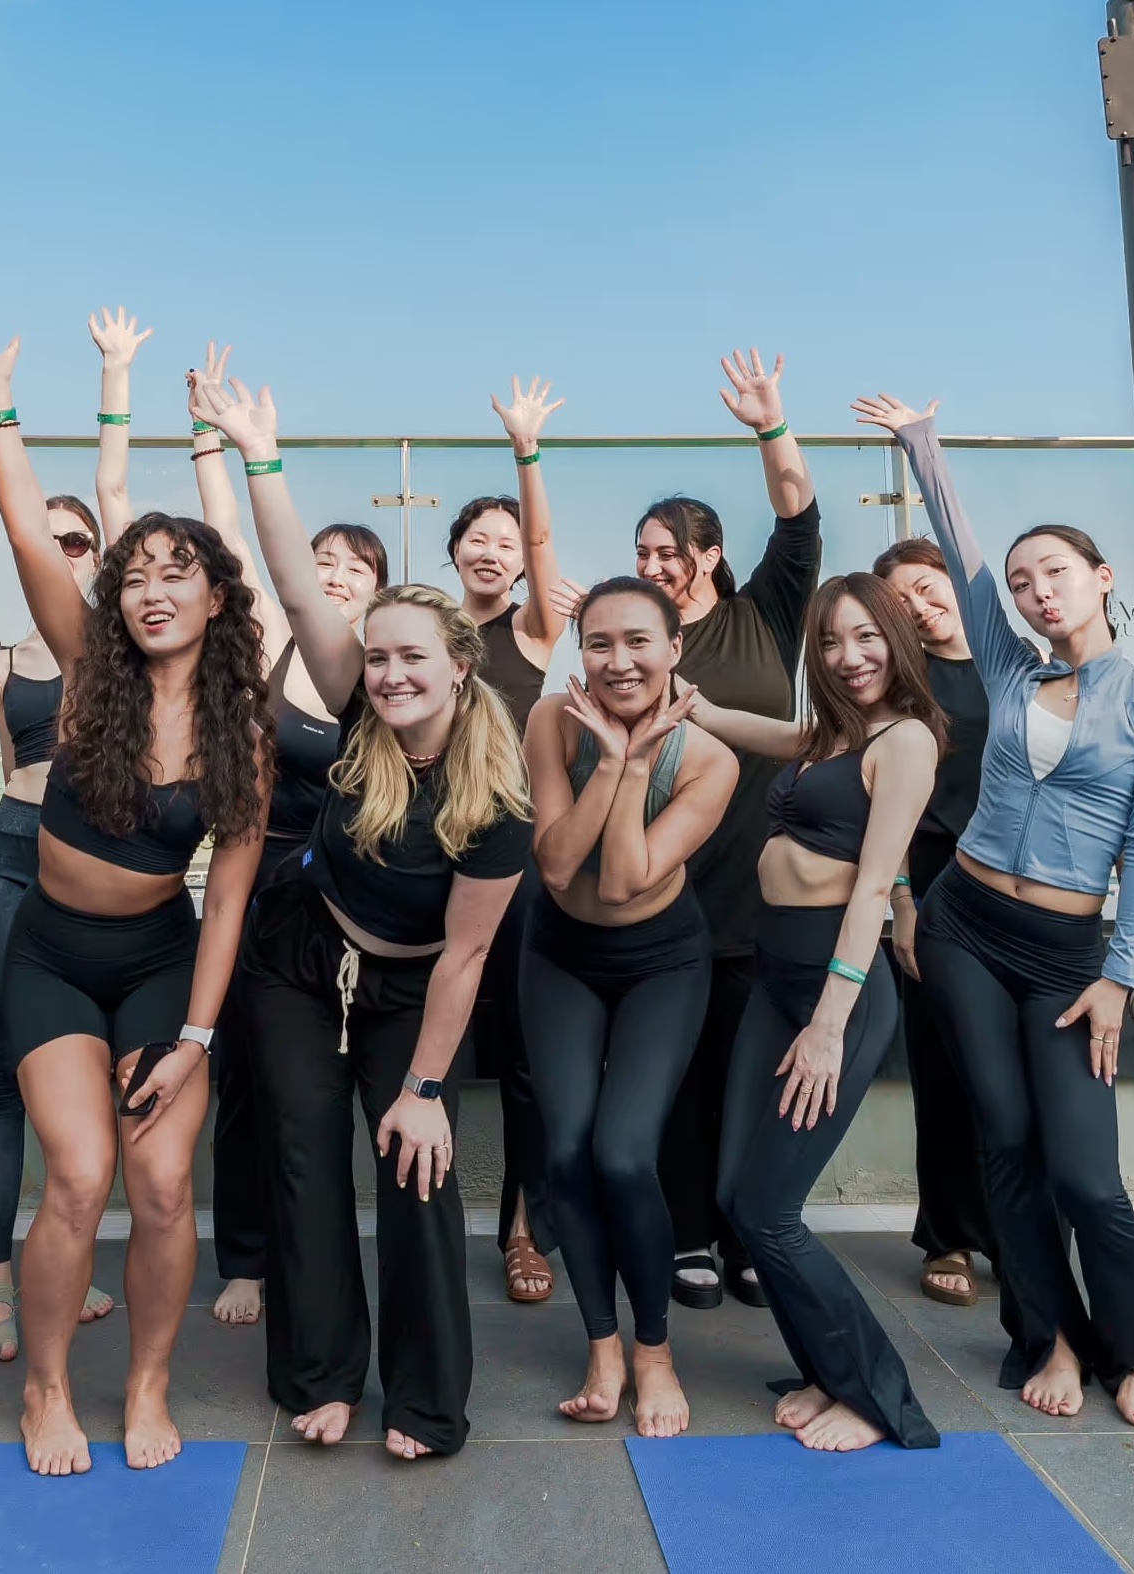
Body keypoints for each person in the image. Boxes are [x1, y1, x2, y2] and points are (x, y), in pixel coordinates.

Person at [0, 328, 273, 1476]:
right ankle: (44, 1386)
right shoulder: (86, 668)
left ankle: (151, 1383)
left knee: (168, 1180)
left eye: (179, 572)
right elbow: (31, 530)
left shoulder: (245, 736)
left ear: (218, 596)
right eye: (138, 573)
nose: (154, 589)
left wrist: (195, 1038)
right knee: (77, 1174)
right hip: (54, 957)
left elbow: (224, 905)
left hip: (164, 961)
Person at [854, 390, 1134, 1428]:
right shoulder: (1010, 670)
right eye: (1022, 580)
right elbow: (963, 564)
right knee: (1004, 1142)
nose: (1034, 589)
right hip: (967, 925)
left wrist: (1116, 973)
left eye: (1054, 571)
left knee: (1086, 1170)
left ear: (1103, 578)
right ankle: (1046, 1336)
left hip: (1067, 948)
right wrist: (921, 445)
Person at [196, 372, 531, 1461]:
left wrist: (428, 1087)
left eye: (408, 659)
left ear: (459, 666)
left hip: (416, 983)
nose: (387, 674)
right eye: (376, 656)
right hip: (301, 955)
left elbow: (469, 952)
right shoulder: (358, 714)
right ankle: (323, 1376)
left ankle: (428, 1401)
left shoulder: (498, 797)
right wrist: (260, 455)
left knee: (415, 1165)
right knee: (303, 1154)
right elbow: (297, 593)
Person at [689, 573, 950, 1452]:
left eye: (867, 637)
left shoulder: (905, 739)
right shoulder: (831, 735)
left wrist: (829, 1024)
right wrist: (690, 705)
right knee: (737, 1195)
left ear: (897, 640)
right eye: (832, 642)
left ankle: (876, 1397)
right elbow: (763, 729)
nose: (850, 656)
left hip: (835, 995)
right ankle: (818, 1369)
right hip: (776, 982)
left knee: (771, 1210)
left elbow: (876, 883)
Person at [0, 310, 153, 1366]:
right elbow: (7, 761)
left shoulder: (120, 641)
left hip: (102, 865)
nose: (69, 551)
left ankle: (70, 1252)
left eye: (82, 542)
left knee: (100, 1074)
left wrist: (116, 373)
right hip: (13, 845)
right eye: (54, 537)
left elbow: (112, 493)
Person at [183, 343, 379, 1329]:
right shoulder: (269, 646)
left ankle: (333, 1252)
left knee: (331, 1094)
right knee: (252, 1090)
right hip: (259, 894)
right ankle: (250, 1257)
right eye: (324, 562)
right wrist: (209, 441)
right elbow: (227, 537)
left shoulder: (379, 674)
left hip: (356, 904)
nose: (334, 576)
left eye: (356, 568)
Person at [522, 578, 734, 1435]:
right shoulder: (550, 724)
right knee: (567, 1155)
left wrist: (640, 758)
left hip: (662, 961)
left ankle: (655, 1352)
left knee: (622, 1155)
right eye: (599, 643)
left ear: (675, 650)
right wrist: (607, 758)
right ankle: (603, 1345)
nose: (619, 661)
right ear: (579, 652)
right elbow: (561, 868)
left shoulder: (711, 759)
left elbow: (623, 878)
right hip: (560, 954)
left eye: (639, 641)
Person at [644, 349, 823, 1312]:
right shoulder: (642, 632)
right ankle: (685, 1238)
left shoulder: (768, 614)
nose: (652, 568)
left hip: (763, 887)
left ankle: (749, 1229)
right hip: (668, 885)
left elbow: (798, 510)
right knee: (677, 1070)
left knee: (753, 1066)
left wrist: (770, 422)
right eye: (641, 555)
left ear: (708, 554)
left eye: (667, 551)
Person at [451, 380, 578, 1306]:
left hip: (526, 869)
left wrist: (525, 454)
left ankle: (525, 1231)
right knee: (440, 1049)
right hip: (437, 865)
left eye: (505, 543)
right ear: (454, 552)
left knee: (531, 1063)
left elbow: (540, 548)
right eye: (478, 540)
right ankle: (425, 1216)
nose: (494, 553)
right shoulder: (427, 630)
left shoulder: (537, 633)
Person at [872, 538, 999, 1308]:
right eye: (903, 603)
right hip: (932, 880)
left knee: (1019, 1070)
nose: (921, 607)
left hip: (1025, 884)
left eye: (926, 586)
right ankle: (947, 1235)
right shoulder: (899, 687)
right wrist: (904, 907)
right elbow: (883, 810)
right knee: (944, 1067)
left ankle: (1017, 1227)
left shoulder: (1015, 659)